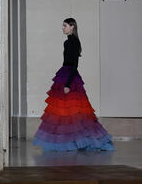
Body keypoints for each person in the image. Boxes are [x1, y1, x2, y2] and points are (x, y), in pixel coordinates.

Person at [33, 18, 115, 151]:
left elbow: (75, 64)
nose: (63, 28)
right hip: (64, 75)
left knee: (76, 112)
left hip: (69, 77)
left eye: (65, 26)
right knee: (64, 112)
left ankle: (85, 141)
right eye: (63, 26)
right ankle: (67, 142)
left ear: (72, 27)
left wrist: (68, 84)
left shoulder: (74, 42)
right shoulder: (67, 42)